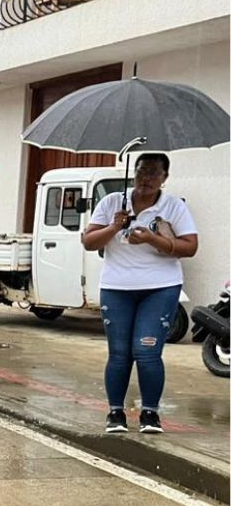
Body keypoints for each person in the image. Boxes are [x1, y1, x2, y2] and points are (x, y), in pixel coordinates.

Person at [83, 153, 198, 434]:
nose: (146, 178)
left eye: (154, 173)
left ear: (164, 178)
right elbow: (89, 241)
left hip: (160, 288)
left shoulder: (173, 206)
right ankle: (115, 413)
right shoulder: (112, 202)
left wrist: (152, 238)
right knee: (119, 353)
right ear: (133, 173)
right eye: (141, 171)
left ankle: (150, 413)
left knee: (146, 352)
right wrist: (114, 226)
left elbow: (190, 247)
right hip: (117, 289)